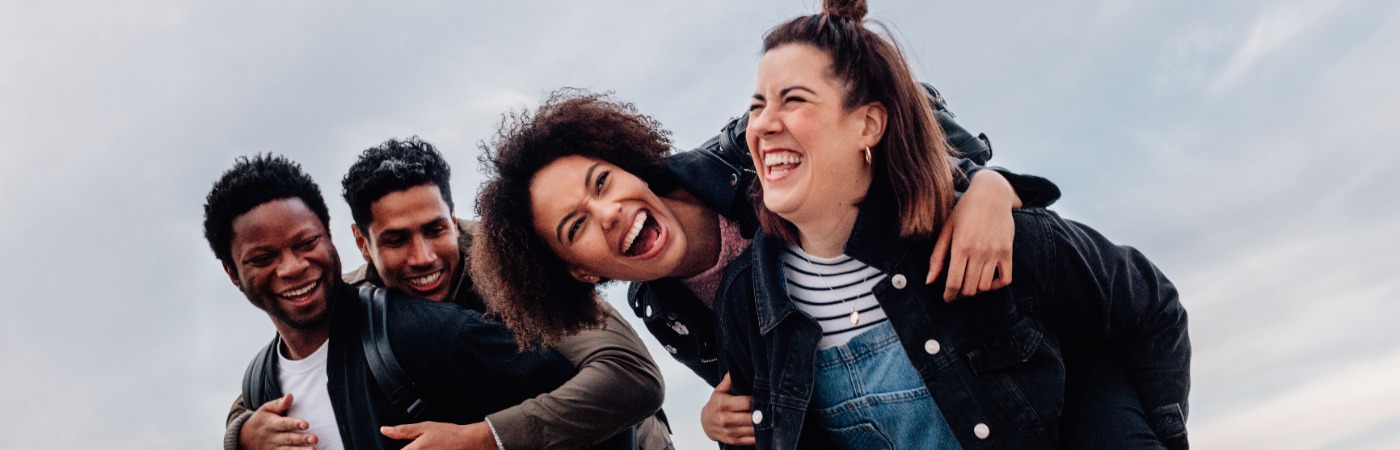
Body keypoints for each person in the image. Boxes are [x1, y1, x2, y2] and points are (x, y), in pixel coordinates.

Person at [716, 0, 1191, 448]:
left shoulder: (990, 238)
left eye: (793, 100)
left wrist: (1158, 435)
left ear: (868, 125)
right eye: (757, 106)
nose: (762, 125)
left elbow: (1152, 308)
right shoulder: (749, 304)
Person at [471, 88, 1056, 445]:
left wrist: (980, 182)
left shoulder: (741, 151)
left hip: (993, 364)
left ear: (629, 166)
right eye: (575, 227)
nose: (608, 211)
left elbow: (901, 100)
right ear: (576, 271)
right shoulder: (660, 311)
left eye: (602, 182)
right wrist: (719, 417)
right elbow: (769, 396)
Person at [224, 141, 672, 449]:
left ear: (454, 220)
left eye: (435, 231)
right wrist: (243, 435)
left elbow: (631, 378)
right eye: (397, 240)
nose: (423, 257)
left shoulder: (518, 267)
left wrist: (483, 438)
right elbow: (281, 372)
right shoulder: (359, 296)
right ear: (363, 244)